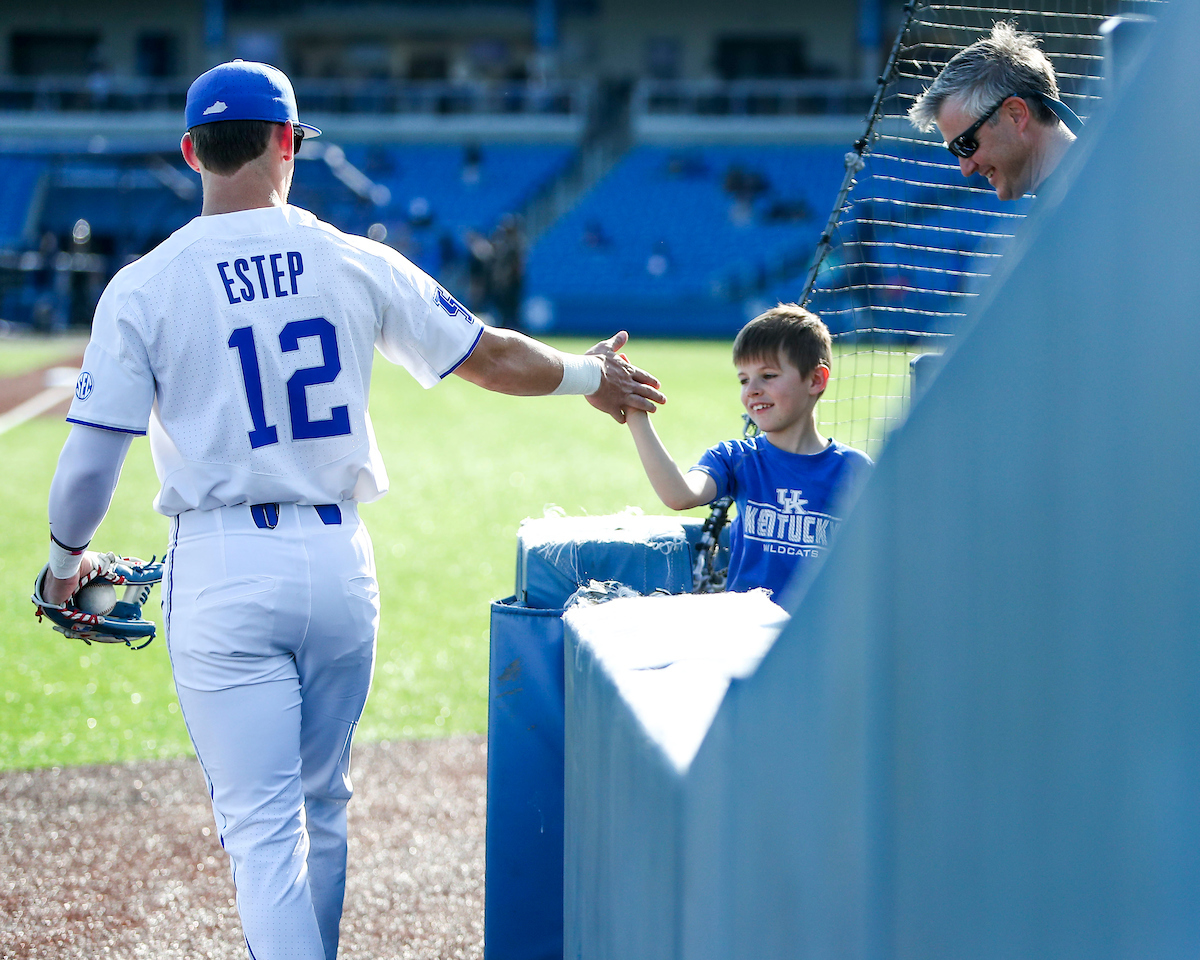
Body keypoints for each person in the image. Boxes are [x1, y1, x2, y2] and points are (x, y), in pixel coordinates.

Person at [36, 60, 664, 960]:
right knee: (321, 805)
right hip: (339, 561)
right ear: (288, 143)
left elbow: (91, 464)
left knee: (262, 837)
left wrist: (66, 564)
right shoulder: (351, 255)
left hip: (221, 564)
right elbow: (486, 356)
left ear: (190, 151)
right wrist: (591, 376)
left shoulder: (145, 283)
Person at [625, 304, 871, 598]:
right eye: (744, 379)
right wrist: (634, 411)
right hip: (747, 632)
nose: (751, 389)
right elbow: (679, 495)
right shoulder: (735, 458)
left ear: (816, 380)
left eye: (768, 376)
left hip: (819, 638)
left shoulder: (855, 470)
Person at [907, 22, 1082, 201]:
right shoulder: (1098, 178)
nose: (966, 170)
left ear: (1016, 115)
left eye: (965, 145)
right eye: (955, 152)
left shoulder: (1089, 204)